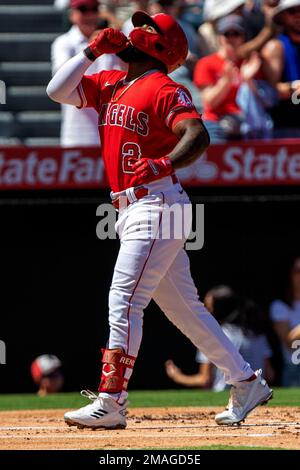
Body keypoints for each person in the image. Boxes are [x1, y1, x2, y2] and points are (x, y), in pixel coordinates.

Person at [47, 10, 272, 429]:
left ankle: (112, 399)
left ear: (161, 46)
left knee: (125, 297)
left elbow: (197, 134)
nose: (137, 29)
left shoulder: (165, 87)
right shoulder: (113, 81)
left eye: (148, 27)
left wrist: (164, 162)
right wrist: (93, 50)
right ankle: (245, 379)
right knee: (185, 309)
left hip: (157, 203)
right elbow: (57, 91)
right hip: (132, 206)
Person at [166, 286, 274, 391]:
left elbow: (205, 380)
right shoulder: (257, 334)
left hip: (225, 397)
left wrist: (178, 377)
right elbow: (270, 374)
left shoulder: (212, 335)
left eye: (208, 307)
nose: (205, 311)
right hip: (255, 395)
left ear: (219, 309)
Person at [51, 0, 123, 147]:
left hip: (112, 131)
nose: (90, 14)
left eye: (94, 9)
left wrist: (118, 46)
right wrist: (93, 49)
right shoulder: (64, 42)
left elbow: (125, 75)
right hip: (78, 134)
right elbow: (61, 81)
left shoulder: (109, 41)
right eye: (83, 9)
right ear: (72, 15)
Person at [194, 14, 276, 142]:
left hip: (247, 122)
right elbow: (209, 102)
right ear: (220, 38)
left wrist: (248, 80)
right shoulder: (206, 63)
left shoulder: (250, 62)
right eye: (227, 34)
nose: (231, 38)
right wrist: (225, 81)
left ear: (243, 37)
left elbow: (266, 101)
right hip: (217, 122)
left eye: (236, 34)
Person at [262, 0, 300, 137]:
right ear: (283, 16)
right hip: (287, 127)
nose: (298, 15)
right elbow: (270, 92)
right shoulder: (275, 47)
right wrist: (293, 87)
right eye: (292, 11)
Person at [270, 257, 300, 386]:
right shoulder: (280, 306)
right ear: (291, 275)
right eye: (298, 271)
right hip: (295, 367)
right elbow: (290, 342)